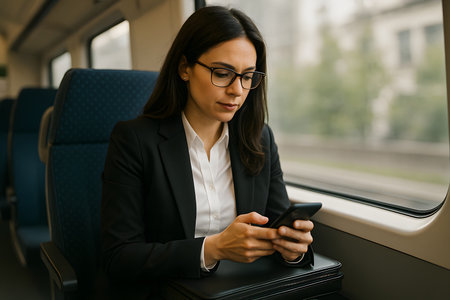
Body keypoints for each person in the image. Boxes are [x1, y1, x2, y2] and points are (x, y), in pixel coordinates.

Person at [101, 5, 314, 298]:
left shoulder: (260, 138)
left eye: (248, 76)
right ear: (184, 68)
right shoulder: (135, 140)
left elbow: (276, 227)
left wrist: (292, 251)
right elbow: (119, 257)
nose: (237, 90)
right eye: (223, 73)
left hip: (244, 291)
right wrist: (212, 249)